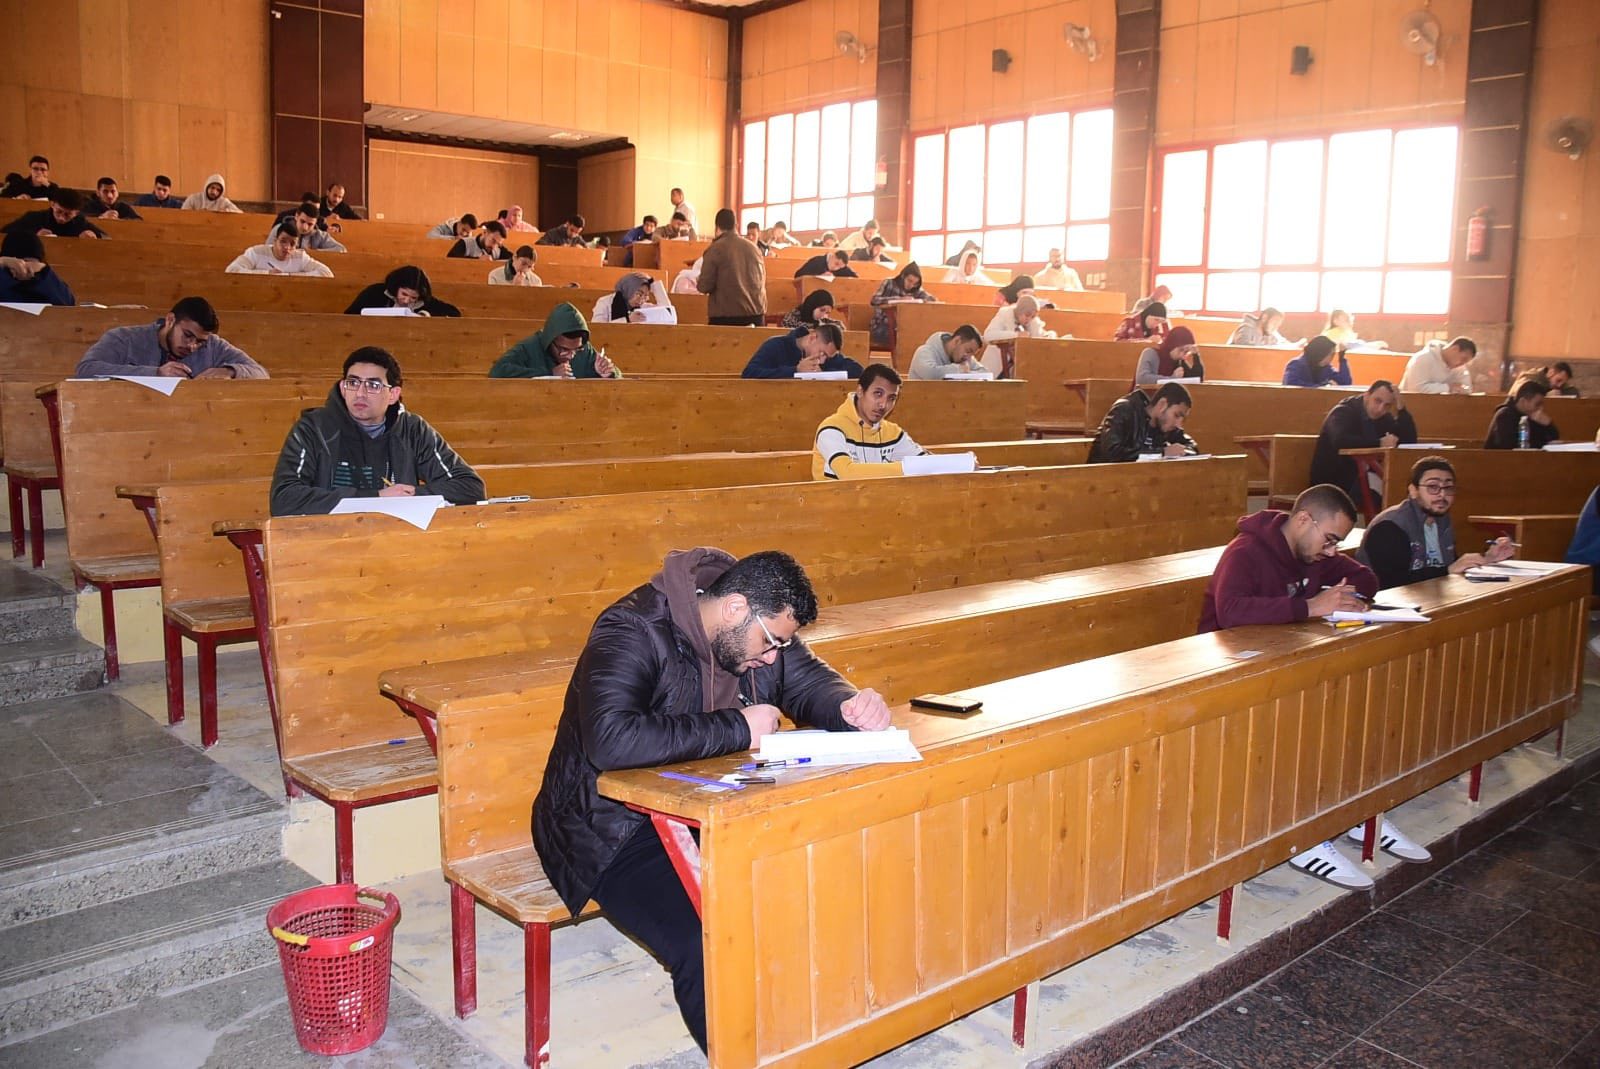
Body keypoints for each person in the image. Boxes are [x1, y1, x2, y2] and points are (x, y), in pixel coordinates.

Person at [533, 547, 889, 1051]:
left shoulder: (758, 630)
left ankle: (803, 1040)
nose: (772, 657)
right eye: (769, 643)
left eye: (781, 645)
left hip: (715, 808)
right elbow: (611, 740)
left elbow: (811, 683)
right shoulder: (631, 629)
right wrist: (738, 728)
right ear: (734, 608)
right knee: (706, 939)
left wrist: (849, 705)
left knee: (818, 891)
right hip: (610, 827)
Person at [1198, 485, 1429, 888]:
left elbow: (1366, 577)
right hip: (1228, 675)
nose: (1331, 551)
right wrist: (1310, 607)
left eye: (1337, 544)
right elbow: (1230, 611)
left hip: (1280, 662)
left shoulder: (1313, 553)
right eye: (1330, 539)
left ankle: (1354, 813)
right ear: (1304, 520)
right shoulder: (1245, 551)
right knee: (1304, 725)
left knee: (1350, 709)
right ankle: (1303, 833)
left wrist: (1344, 595)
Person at [270, 347, 484, 516]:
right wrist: (377, 498)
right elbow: (284, 498)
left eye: (373, 385)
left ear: (393, 395)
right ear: (343, 388)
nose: (360, 393)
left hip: (396, 539)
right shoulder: (313, 428)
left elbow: (470, 488)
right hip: (327, 540)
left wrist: (408, 496)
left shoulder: (412, 429)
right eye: (353, 383)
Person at [1359, 456, 1517, 589]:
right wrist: (1448, 570)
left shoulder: (1441, 520)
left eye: (1448, 488)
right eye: (1433, 487)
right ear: (1413, 491)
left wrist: (1488, 558)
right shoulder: (1389, 526)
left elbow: (1447, 565)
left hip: (1432, 597)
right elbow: (1391, 583)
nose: (1442, 495)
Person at [74, 296, 267, 379]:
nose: (192, 346)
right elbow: (86, 369)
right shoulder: (125, 338)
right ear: (170, 320)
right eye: (187, 335)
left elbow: (261, 373)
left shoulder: (214, 345)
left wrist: (230, 371)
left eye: (200, 342)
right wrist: (155, 374)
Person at [1308, 381, 1418, 507]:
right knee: (1387, 490)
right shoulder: (1343, 412)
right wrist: (1379, 443)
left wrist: (1401, 409)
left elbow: (1409, 442)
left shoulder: (1383, 418)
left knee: (1398, 487)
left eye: (1387, 405)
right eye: (1377, 401)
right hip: (1333, 482)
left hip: (1363, 478)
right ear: (1367, 395)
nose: (1380, 409)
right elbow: (1341, 441)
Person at [813, 363, 928, 479]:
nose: (883, 405)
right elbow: (847, 473)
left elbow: (927, 463)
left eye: (891, 398)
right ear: (860, 391)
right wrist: (906, 468)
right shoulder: (831, 428)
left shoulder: (893, 433)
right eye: (878, 394)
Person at [490, 303, 620, 379]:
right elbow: (497, 372)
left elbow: (619, 379)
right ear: (550, 340)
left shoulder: (584, 349)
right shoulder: (529, 347)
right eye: (564, 349)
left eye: (576, 349)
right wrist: (549, 374)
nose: (571, 355)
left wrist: (608, 373)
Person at [1087, 381, 1198, 463]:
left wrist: (1182, 451)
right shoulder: (1124, 410)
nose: (1178, 424)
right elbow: (1112, 454)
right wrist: (1161, 452)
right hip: (1101, 480)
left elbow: (1192, 447)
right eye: (1176, 415)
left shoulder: (1167, 427)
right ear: (1162, 404)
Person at [697, 208, 766, 327]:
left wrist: (699, 280)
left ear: (717, 227)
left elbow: (704, 286)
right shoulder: (755, 249)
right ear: (736, 225)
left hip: (727, 319)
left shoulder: (715, 249)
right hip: (757, 317)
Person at [742, 322, 861, 379]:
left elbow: (858, 371)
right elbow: (749, 374)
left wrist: (823, 374)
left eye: (827, 357)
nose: (823, 361)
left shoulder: (828, 356)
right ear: (812, 338)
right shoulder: (776, 345)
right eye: (822, 353)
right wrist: (795, 370)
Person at [982, 295, 1057, 376]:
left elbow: (1042, 335)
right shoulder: (1004, 315)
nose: (1029, 319)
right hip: (995, 366)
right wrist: (1016, 335)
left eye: (1032, 317)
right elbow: (988, 335)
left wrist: (1050, 335)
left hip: (1017, 370)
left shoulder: (1033, 324)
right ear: (1019, 311)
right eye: (1027, 315)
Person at [345, 265, 461, 317]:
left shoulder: (425, 301)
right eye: (404, 294)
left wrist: (425, 314)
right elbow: (349, 315)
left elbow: (454, 313)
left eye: (413, 298)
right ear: (396, 287)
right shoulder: (375, 292)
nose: (406, 300)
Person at [868, 263, 937, 349]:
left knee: (918, 334)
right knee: (905, 336)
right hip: (882, 326)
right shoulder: (889, 283)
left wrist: (921, 300)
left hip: (903, 328)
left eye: (915, 283)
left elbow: (932, 299)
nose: (911, 285)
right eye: (909, 281)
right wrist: (898, 299)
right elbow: (874, 300)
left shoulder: (916, 289)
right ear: (903, 276)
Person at [0, 231, 75, 306]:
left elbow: (68, 304)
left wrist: (44, 271)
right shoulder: (4, 275)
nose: (23, 266)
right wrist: (2, 263)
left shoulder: (44, 277)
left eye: (29, 261)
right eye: (19, 262)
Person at [226, 227, 334, 277]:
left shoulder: (300, 257)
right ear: (275, 240)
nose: (287, 247)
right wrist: (267, 274)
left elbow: (326, 273)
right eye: (283, 241)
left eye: (292, 244)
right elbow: (231, 270)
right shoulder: (256, 252)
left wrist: (289, 276)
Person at [2, 189, 107, 240]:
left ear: (76, 213)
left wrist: (93, 236)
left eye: (67, 215)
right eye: (59, 211)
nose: (61, 218)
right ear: (52, 204)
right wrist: (33, 235)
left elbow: (106, 238)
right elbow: (4, 232)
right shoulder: (34, 217)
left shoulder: (80, 222)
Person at [1485, 377, 1558, 449]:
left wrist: (1548, 424)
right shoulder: (1504, 415)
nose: (1541, 408)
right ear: (1523, 401)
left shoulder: (1532, 416)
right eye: (1537, 404)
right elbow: (1508, 445)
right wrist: (1541, 444)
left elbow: (1552, 439)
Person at [1399, 337, 1476, 394]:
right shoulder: (1423, 358)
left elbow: (1467, 389)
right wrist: (1448, 387)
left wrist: (1462, 390)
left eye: (1466, 362)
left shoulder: (1460, 368)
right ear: (1454, 349)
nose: (1462, 364)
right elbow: (1416, 389)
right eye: (1463, 359)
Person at [592, 272, 675, 324]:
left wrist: (654, 285)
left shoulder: (644, 307)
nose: (641, 300)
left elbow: (668, 312)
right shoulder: (604, 302)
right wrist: (627, 320)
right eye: (639, 294)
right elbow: (597, 328)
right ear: (628, 289)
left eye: (645, 296)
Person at [908, 325, 984, 380]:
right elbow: (930, 374)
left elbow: (984, 372)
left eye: (972, 354)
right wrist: (959, 369)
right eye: (968, 351)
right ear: (957, 341)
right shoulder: (924, 351)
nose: (969, 357)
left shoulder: (965, 357)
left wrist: (967, 374)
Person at [1134, 326, 1204, 385]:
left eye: (1186, 352)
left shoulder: (1179, 362)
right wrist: (1172, 379)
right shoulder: (1151, 353)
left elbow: (1197, 380)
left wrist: (1196, 356)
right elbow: (1142, 379)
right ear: (1172, 344)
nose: (1182, 356)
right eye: (1181, 350)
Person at [269, 202, 348, 253]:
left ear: (315, 223)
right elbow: (268, 250)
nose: (305, 227)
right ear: (296, 216)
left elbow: (341, 249)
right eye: (302, 221)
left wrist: (314, 252)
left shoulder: (320, 235)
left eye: (310, 224)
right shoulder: (279, 229)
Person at [1281, 336, 1352, 387]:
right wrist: (1320, 387)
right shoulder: (1296, 364)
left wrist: (1342, 359)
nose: (1332, 358)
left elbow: (1345, 383)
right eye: (1331, 354)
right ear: (1320, 353)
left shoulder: (1327, 368)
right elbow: (1291, 383)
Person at [1228, 307, 1296, 347]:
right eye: (1274, 323)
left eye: (1278, 325)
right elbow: (1244, 351)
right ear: (1264, 318)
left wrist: (1296, 345)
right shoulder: (1246, 328)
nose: (1275, 327)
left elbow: (1282, 344)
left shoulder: (1269, 332)